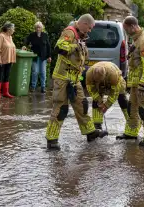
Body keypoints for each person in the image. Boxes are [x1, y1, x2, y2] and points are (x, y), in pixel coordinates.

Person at [45, 14, 107, 150]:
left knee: (82, 105)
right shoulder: (69, 32)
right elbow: (59, 48)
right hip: (63, 78)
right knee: (61, 108)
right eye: (89, 28)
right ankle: (52, 139)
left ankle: (90, 132)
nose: (89, 31)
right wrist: (75, 47)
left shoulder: (80, 36)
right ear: (83, 23)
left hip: (74, 79)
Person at [116, 16, 144, 146]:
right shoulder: (137, 40)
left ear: (133, 26)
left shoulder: (143, 40)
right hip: (135, 83)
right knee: (132, 108)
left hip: (143, 83)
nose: (126, 32)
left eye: (127, 29)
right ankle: (131, 132)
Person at [86, 61, 129, 130]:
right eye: (97, 81)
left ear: (104, 75)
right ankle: (97, 124)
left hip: (116, 80)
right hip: (100, 82)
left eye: (100, 80)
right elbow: (91, 89)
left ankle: (130, 121)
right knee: (96, 100)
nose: (98, 82)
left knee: (121, 98)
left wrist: (106, 105)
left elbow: (114, 93)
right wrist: (99, 100)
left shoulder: (113, 75)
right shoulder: (89, 74)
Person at [22, 21, 51, 93]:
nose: (38, 29)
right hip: (35, 56)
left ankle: (43, 87)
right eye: (37, 27)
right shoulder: (32, 35)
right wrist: (24, 45)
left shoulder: (45, 35)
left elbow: (48, 46)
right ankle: (33, 86)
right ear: (35, 28)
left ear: (42, 28)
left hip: (43, 57)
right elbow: (26, 40)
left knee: (43, 72)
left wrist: (49, 56)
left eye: (39, 27)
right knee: (35, 72)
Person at [0, 22, 16, 98]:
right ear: (8, 29)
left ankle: (5, 92)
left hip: (9, 60)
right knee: (0, 76)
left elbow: (11, 48)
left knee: (7, 76)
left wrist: (12, 60)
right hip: (1, 61)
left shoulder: (10, 37)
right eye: (13, 29)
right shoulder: (0, 36)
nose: (14, 30)